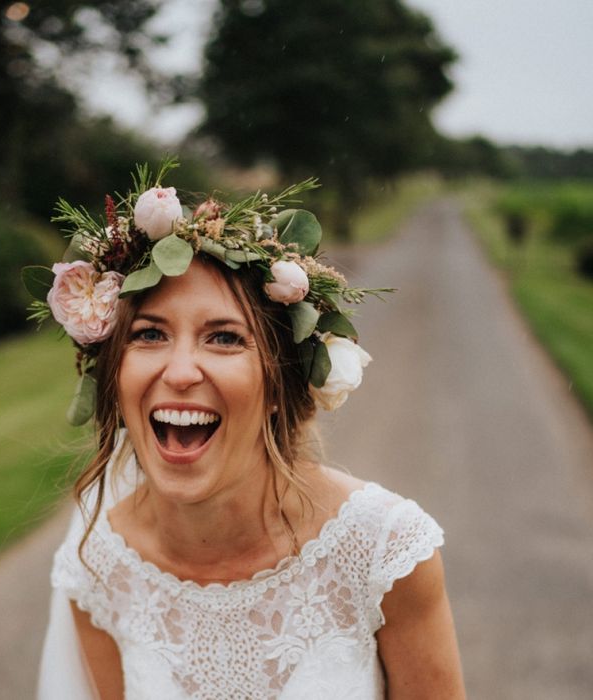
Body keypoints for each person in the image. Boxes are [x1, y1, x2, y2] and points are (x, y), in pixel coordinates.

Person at [31, 160, 465, 699]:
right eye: (149, 334)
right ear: (114, 375)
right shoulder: (97, 571)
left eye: (225, 339)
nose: (182, 371)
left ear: (279, 383)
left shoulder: (386, 552)